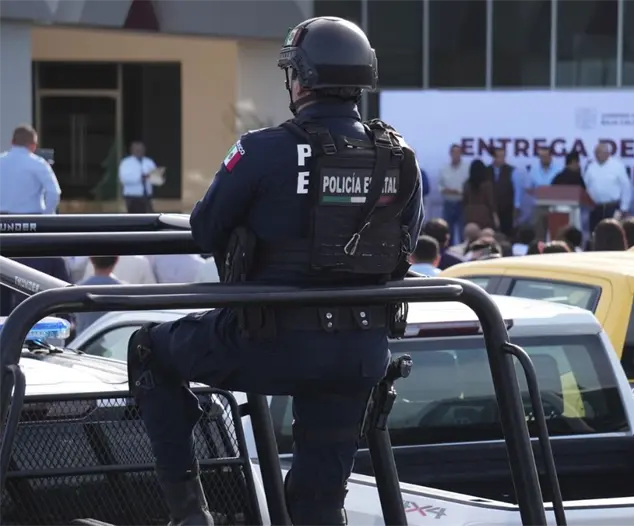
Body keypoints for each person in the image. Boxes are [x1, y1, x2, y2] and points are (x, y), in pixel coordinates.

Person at [124, 17, 423, 526]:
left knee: (149, 349)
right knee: (318, 505)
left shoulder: (262, 149)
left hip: (269, 344)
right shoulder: (400, 158)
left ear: (301, 79)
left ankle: (189, 515)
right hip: (360, 353)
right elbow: (404, 249)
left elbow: (204, 229)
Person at [0, 124, 61, 214]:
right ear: (33, 146)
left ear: (12, 142)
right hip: (31, 219)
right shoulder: (39, 164)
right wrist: (46, 216)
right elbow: (54, 193)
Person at [583, 142, 631, 229]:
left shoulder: (617, 166)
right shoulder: (591, 167)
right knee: (595, 234)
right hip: (595, 208)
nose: (597, 155)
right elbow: (585, 186)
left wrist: (624, 208)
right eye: (595, 153)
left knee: (612, 234)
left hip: (612, 207)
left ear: (607, 153)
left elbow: (626, 187)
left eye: (599, 152)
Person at [75, 257, 123, 335]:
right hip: (114, 343)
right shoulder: (123, 290)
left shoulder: (78, 289)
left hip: (84, 344)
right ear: (117, 260)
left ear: (91, 259)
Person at [438, 144, 469, 243]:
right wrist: (449, 191)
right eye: (454, 152)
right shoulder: (444, 168)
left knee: (462, 232)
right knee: (447, 231)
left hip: (462, 203)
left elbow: (469, 186)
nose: (456, 155)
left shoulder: (467, 168)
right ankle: (447, 255)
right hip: (448, 202)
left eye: (458, 152)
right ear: (450, 154)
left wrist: (459, 191)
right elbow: (440, 186)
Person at [119, 140, 158, 213]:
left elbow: (155, 177)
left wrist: (156, 177)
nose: (139, 151)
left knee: (149, 216)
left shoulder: (149, 162)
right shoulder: (126, 163)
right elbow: (123, 179)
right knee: (135, 218)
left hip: (147, 196)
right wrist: (140, 178)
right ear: (132, 150)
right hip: (133, 197)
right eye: (137, 149)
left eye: (141, 149)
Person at [486, 147, 516, 235]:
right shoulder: (486, 171)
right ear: (494, 157)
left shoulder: (511, 170)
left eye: (503, 156)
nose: (502, 159)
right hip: (491, 208)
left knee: (507, 233)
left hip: (507, 208)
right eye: (499, 156)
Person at [463, 159, 498, 230]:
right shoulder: (487, 185)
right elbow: (490, 203)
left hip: (470, 215)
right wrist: (495, 216)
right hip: (484, 216)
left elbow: (464, 201)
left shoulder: (466, 185)